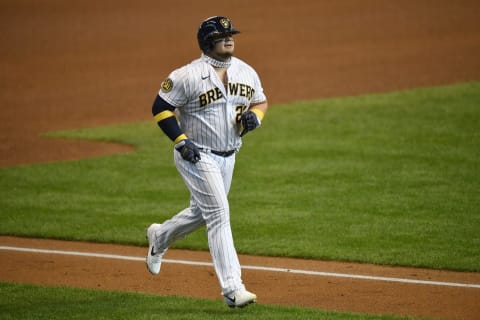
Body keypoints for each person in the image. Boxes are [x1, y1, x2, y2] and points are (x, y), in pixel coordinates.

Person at [146, 16, 268, 308]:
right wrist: (181, 141)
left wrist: (256, 118)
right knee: (218, 214)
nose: (229, 39)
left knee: (203, 213)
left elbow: (260, 101)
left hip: (229, 156)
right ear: (206, 42)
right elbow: (160, 108)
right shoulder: (187, 75)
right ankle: (232, 289)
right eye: (221, 35)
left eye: (230, 34)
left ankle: (159, 237)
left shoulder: (246, 71)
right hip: (196, 154)